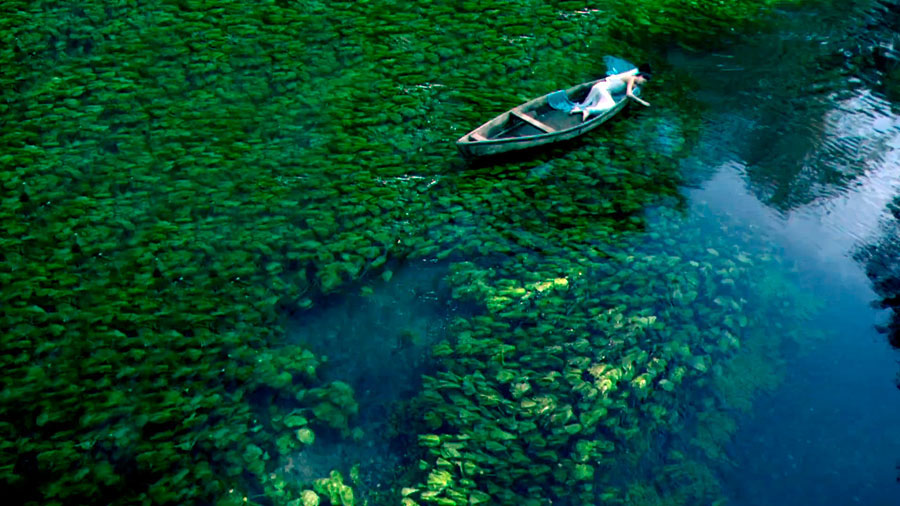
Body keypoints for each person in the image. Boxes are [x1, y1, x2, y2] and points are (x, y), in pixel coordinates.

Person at [570, 65, 652, 121]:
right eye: (643, 81)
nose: (642, 83)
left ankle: (587, 110)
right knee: (611, 107)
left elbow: (632, 88)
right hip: (602, 89)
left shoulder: (633, 81)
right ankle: (589, 110)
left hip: (600, 87)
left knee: (605, 104)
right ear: (640, 76)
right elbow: (629, 94)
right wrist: (642, 102)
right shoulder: (631, 78)